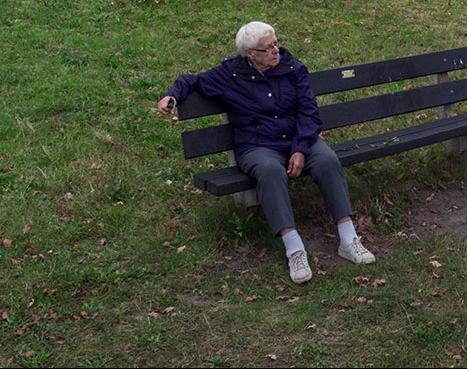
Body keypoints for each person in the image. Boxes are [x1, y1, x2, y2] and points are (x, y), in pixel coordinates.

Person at [158, 21, 375, 284]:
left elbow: (309, 113)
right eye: (268, 47)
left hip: (298, 139)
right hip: (258, 146)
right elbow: (191, 81)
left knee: (328, 160)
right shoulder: (231, 74)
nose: (276, 50)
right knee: (271, 171)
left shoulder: (293, 69)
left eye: (276, 43)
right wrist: (172, 96)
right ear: (249, 53)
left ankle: (348, 238)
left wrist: (299, 149)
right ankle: (294, 249)